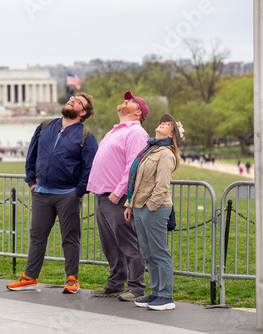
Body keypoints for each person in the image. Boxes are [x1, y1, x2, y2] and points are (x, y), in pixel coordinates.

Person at [6, 92, 98, 294]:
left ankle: (72, 279)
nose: (71, 100)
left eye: (77, 101)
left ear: (83, 112)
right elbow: (32, 155)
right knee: (37, 237)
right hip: (41, 193)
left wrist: (78, 192)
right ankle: (30, 277)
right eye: (72, 97)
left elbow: (89, 168)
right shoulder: (45, 126)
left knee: (70, 238)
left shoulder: (86, 137)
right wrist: (31, 182)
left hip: (68, 195)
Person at [87, 91, 149, 302]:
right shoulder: (115, 131)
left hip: (116, 197)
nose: (124, 101)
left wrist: (118, 193)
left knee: (128, 244)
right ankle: (115, 283)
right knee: (110, 245)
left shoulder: (136, 132)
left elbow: (134, 165)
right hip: (102, 195)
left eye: (130, 101)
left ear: (138, 112)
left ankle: (137, 288)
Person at [124, 113, 184, 311]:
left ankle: (166, 296)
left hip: (155, 209)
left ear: (173, 134)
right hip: (140, 207)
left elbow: (162, 185)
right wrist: (130, 205)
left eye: (168, 124)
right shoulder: (150, 149)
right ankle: (156, 292)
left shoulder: (166, 153)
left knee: (159, 252)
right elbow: (138, 180)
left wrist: (150, 206)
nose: (163, 123)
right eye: (163, 122)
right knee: (148, 253)